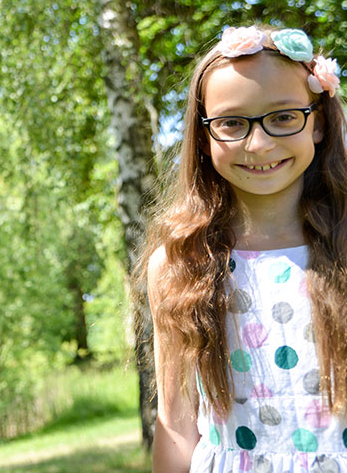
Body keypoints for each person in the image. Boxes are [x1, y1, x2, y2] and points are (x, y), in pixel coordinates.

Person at [139, 25, 346, 472]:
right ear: (203, 137)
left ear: (319, 122)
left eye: (284, 117)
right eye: (232, 123)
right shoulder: (180, 265)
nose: (259, 143)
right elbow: (176, 426)